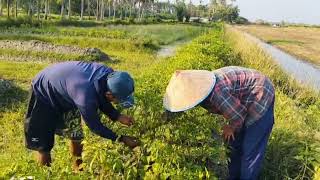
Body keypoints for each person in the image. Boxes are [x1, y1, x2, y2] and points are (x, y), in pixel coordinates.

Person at [163, 66, 275, 180]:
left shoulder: (216, 93)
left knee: (250, 150)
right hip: (243, 100)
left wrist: (231, 127)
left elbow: (238, 116)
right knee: (234, 146)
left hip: (261, 93)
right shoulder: (204, 87)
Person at [25, 61, 139, 170]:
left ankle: (78, 170)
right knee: (43, 145)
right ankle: (44, 174)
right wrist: (122, 139)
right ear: (110, 95)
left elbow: (101, 97)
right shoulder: (85, 98)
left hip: (67, 93)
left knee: (76, 135)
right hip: (43, 92)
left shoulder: (109, 76)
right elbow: (95, 126)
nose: (118, 103)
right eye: (119, 100)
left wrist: (117, 116)